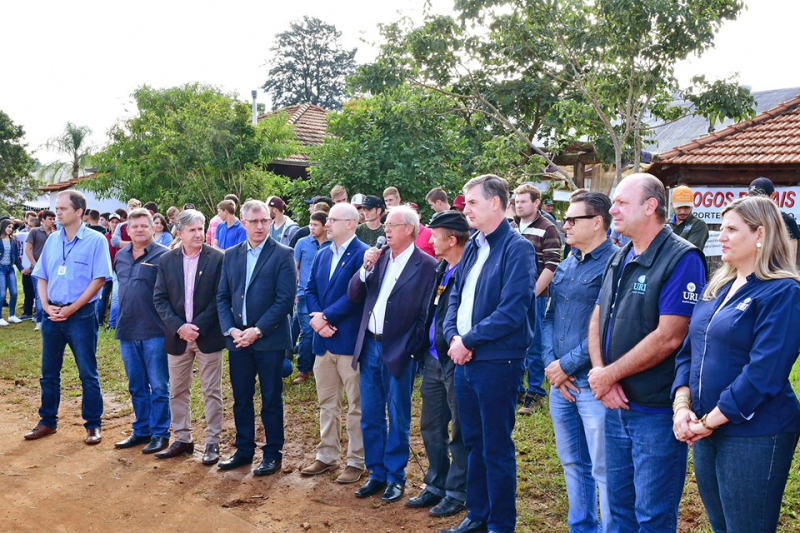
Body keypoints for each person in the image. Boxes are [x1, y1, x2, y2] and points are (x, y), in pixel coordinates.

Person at [672, 196, 800, 533]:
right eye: (721, 228)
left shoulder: (783, 292)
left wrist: (709, 421)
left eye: (731, 229)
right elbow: (688, 351)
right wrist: (682, 407)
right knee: (721, 526)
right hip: (706, 427)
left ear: (761, 234)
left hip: (755, 433)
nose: (722, 236)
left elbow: (764, 373)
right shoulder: (717, 288)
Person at [588, 173, 706, 532]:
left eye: (621, 202)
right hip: (615, 404)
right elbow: (598, 316)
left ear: (650, 206)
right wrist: (602, 376)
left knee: (652, 514)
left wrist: (609, 375)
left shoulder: (682, 257)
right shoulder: (620, 255)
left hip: (653, 411)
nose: (612, 210)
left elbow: (670, 336)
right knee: (617, 507)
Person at [441, 175, 537, 533]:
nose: (465, 209)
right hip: (464, 360)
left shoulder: (517, 249)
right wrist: (453, 336)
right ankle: (477, 514)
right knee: (473, 441)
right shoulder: (474, 246)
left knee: (496, 446)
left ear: (495, 203)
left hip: (497, 362)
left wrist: (468, 341)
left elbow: (513, 310)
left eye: (472, 202)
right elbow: (455, 297)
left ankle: (500, 523)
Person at [347, 205, 437, 503]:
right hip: (369, 346)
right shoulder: (379, 257)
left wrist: (411, 347)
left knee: (398, 415)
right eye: (385, 225)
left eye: (391, 225)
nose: (385, 229)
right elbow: (354, 295)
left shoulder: (427, 265)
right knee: (371, 414)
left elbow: (426, 314)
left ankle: (396, 477)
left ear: (409, 229)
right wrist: (364, 269)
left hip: (400, 349)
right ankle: (377, 473)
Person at [542, 192, 616, 532]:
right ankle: (582, 526)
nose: (565, 225)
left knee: (603, 467)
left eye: (573, 220)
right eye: (565, 219)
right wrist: (552, 365)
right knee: (572, 462)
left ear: (597, 222)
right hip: (561, 384)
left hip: (592, 384)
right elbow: (549, 317)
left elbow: (607, 327)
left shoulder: (615, 263)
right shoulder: (567, 262)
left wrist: (566, 366)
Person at [23, 190, 112, 444]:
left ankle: (93, 424)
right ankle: (47, 421)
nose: (57, 213)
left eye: (63, 208)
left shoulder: (96, 240)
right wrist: (44, 305)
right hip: (52, 314)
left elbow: (99, 280)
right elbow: (41, 275)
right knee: (48, 372)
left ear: (79, 212)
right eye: (57, 209)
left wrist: (72, 309)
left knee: (87, 373)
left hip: (80, 315)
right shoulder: (52, 240)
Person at [216, 199, 296, 475]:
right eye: (254, 221)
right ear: (244, 222)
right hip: (238, 340)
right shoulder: (231, 254)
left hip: (269, 340)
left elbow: (284, 300)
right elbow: (222, 296)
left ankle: (273, 454)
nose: (260, 226)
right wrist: (231, 330)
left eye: (264, 221)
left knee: (271, 399)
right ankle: (244, 450)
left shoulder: (283, 254)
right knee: (241, 398)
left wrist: (257, 330)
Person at [406, 211, 469, 518]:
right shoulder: (441, 267)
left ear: (452, 239)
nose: (430, 240)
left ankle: (458, 491)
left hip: (456, 361)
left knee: (459, 429)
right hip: (432, 359)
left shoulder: (469, 271)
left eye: (435, 235)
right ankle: (436, 483)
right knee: (431, 426)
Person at [300, 203, 369, 484]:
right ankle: (327, 455)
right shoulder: (323, 253)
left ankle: (356, 461)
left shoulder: (363, 254)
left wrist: (326, 317)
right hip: (323, 341)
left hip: (348, 341)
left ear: (350, 223)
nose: (326, 224)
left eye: (332, 220)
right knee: (327, 402)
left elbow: (357, 296)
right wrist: (318, 320)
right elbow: (310, 290)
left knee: (356, 405)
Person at [153, 209, 226, 465]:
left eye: (200, 229)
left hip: (207, 335)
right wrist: (179, 327)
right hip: (178, 337)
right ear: (180, 232)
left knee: (211, 391)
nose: (198, 234)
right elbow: (160, 298)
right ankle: (183, 439)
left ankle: (212, 442)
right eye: (192, 230)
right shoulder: (167, 259)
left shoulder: (217, 258)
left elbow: (220, 297)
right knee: (177, 390)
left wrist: (197, 326)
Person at [113, 208, 171, 454]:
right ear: (127, 229)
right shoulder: (121, 256)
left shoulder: (165, 256)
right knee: (136, 385)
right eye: (134, 226)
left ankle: (160, 433)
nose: (139, 230)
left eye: (143, 226)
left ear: (153, 227)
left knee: (158, 386)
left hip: (155, 330)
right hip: (127, 330)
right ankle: (141, 430)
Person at [514, 183, 561, 415]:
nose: (518, 205)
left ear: (536, 203)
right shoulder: (512, 226)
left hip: (536, 297)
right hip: (512, 297)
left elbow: (552, 265)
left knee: (534, 346)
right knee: (515, 345)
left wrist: (532, 294)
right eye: (516, 201)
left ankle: (535, 392)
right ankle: (517, 390)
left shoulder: (548, 228)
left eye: (523, 201)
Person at [293, 211, 330, 384]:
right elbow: (295, 268)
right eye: (310, 224)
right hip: (304, 294)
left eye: (315, 225)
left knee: (321, 331)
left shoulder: (332, 244)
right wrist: (295, 290)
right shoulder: (302, 243)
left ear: (324, 226)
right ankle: (304, 369)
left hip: (325, 296)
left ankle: (320, 367)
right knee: (306, 332)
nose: (311, 227)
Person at [748, 176, 800, 261]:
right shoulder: (745, 219)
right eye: (752, 198)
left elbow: (791, 258)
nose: (756, 201)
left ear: (773, 195)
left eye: (760, 197)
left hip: (776, 268)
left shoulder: (787, 221)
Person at [26, 210, 56, 331]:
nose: (52, 221)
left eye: (53, 219)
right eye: (50, 219)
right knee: (39, 295)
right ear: (43, 220)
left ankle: (48, 318)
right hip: (38, 268)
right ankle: (39, 320)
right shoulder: (35, 231)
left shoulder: (55, 234)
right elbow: (28, 250)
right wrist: (35, 265)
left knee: (50, 294)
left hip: (51, 269)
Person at [668, 185, 709, 250]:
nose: (683, 211)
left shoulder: (698, 224)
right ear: (672, 205)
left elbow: (689, 250)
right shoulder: (665, 224)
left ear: (692, 205)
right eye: (679, 207)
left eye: (686, 207)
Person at [0, 219, 24, 325]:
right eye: (8, 227)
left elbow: (16, 258)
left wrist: (22, 269)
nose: (10, 229)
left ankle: (12, 315)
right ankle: (0, 317)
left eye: (11, 227)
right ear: (3, 227)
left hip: (10, 269)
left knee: (14, 292)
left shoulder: (13, 240)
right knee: (1, 294)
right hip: (1, 269)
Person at [15, 220, 34, 321]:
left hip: (34, 268)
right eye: (28, 225)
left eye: (30, 226)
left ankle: (37, 312)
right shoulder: (25, 235)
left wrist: (31, 267)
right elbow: (11, 234)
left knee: (37, 292)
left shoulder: (41, 236)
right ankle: (27, 312)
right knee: (27, 291)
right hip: (26, 268)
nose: (28, 227)